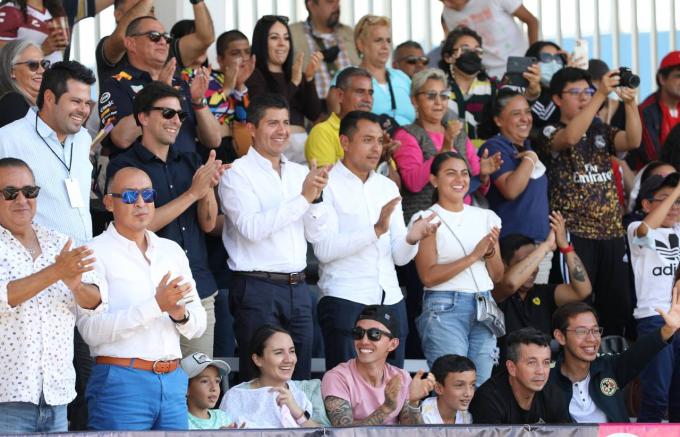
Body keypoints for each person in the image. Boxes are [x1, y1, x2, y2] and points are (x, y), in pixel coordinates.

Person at [77, 167, 207, 430]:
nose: (140, 203)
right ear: (108, 203)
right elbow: (91, 331)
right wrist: (156, 306)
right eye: (129, 196)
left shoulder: (171, 251)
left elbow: (199, 324)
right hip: (121, 381)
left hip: (172, 381)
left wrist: (178, 313)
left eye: (147, 195)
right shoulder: (91, 253)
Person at [106, 82, 226, 358]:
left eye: (180, 115)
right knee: (157, 381)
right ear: (143, 117)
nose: (176, 121)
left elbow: (208, 224)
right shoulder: (125, 167)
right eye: (167, 114)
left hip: (197, 289)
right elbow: (136, 225)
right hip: (146, 295)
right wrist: (193, 192)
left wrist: (207, 189)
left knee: (200, 385)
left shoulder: (190, 160)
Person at [312, 110, 439, 370]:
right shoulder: (326, 184)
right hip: (345, 296)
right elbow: (324, 250)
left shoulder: (387, 186)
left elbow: (400, 256)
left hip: (390, 296)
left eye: (380, 141)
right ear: (345, 142)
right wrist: (376, 229)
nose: (376, 148)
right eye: (367, 140)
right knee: (346, 391)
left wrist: (413, 238)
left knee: (394, 388)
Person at [218, 93, 330, 381]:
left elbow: (316, 234)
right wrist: (304, 197)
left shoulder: (300, 172)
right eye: (272, 123)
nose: (282, 131)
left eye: (285, 123)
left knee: (300, 375)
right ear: (252, 129)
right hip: (257, 288)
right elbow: (252, 229)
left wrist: (315, 200)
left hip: (299, 287)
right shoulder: (237, 174)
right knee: (260, 378)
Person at [0, 158, 102, 433]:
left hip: (57, 399)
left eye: (29, 192)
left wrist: (77, 286)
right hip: (6, 400)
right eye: (10, 193)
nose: (22, 200)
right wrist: (57, 271)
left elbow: (95, 303)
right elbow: (3, 297)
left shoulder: (60, 241)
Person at [541, 66, 642, 336]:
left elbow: (632, 140)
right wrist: (600, 94)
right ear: (557, 99)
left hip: (611, 231)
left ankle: (611, 368)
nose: (584, 97)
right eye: (575, 92)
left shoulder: (600, 128)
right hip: (576, 233)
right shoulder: (549, 129)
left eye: (587, 91)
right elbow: (571, 137)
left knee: (617, 307)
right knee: (577, 307)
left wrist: (630, 103)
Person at [414, 151, 504, 384]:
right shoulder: (426, 218)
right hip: (444, 308)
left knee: (482, 387)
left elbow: (497, 275)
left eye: (464, 173)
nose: (460, 179)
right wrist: (475, 255)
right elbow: (428, 276)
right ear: (434, 180)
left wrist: (490, 251)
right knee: (453, 386)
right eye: (450, 173)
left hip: (484, 304)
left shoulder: (487, 216)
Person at [0, 60, 95, 245]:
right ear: (50, 98)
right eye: (76, 101)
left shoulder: (84, 138)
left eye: (87, 103)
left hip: (84, 259)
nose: (83, 110)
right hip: (35, 264)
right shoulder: (7, 139)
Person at [99, 15, 221, 157]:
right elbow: (121, 138)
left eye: (167, 38)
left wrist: (198, 101)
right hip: (142, 176)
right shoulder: (116, 84)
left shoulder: (179, 83)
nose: (163, 42)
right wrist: (158, 91)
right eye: (154, 36)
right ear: (131, 43)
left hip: (187, 174)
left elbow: (214, 140)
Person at [393, 67, 502, 223]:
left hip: (464, 219)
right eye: (431, 96)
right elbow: (413, 183)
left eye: (443, 96)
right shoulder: (407, 135)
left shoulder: (457, 133)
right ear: (414, 100)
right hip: (427, 222)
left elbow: (477, 188)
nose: (439, 102)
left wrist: (483, 175)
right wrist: (444, 149)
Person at [550, 300, 680, 423]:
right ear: (560, 337)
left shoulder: (608, 368)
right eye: (581, 331)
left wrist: (667, 330)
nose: (591, 338)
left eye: (595, 330)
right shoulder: (546, 379)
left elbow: (640, 352)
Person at [495, 211, 592, 361]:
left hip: (543, 374)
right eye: (527, 262)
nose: (533, 269)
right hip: (507, 374)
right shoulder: (497, 291)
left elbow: (582, 291)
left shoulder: (542, 292)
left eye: (536, 262)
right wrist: (546, 246)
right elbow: (510, 283)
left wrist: (564, 247)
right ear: (505, 265)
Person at [321, 305, 435, 426]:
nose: (364, 341)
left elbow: (414, 432)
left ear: (392, 344)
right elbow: (342, 432)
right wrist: (386, 409)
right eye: (358, 333)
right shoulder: (337, 377)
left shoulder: (401, 377)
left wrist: (413, 404)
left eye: (374, 334)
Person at [627, 173, 680, 422]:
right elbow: (646, 228)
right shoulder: (636, 229)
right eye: (666, 199)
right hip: (654, 319)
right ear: (646, 204)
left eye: (678, 200)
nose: (674, 206)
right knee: (656, 397)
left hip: (679, 320)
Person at [439, 26, 540, 147]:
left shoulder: (495, 88)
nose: (472, 54)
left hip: (492, 158)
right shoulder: (438, 90)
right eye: (465, 49)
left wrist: (533, 90)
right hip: (452, 160)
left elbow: (516, 104)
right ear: (448, 57)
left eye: (477, 51)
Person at [477, 89, 549, 250]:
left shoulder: (528, 146)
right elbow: (511, 190)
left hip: (540, 242)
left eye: (527, 112)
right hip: (513, 245)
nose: (525, 118)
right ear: (498, 120)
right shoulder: (494, 147)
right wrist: (530, 158)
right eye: (516, 114)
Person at [246, 15, 322, 164]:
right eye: (274, 38)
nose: (282, 44)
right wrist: (294, 83)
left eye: (286, 38)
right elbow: (269, 110)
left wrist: (309, 78)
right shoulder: (254, 74)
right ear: (262, 42)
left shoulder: (294, 72)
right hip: (273, 145)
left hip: (303, 145)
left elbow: (314, 114)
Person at [220, 326, 318, 428]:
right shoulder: (236, 397)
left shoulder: (301, 394)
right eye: (279, 352)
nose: (289, 359)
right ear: (257, 359)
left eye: (292, 351)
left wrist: (298, 413)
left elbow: (322, 433)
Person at [95, 0, 214, 83]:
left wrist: (197, 1)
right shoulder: (110, 47)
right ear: (118, 15)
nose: (147, 14)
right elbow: (123, 36)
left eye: (151, 9)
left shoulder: (166, 46)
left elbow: (205, 38)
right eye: (139, 8)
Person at [470, 327, 570, 424]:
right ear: (512, 368)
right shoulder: (488, 401)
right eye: (532, 362)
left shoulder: (554, 395)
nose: (541, 371)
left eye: (546, 362)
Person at [439, 0, 539, 79]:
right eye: (441, 1)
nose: (447, 4)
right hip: (485, 74)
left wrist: (532, 59)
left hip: (519, 66)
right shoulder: (448, 14)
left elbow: (532, 21)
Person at [290, 0, 360, 103]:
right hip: (313, 115)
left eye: (338, 1)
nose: (336, 6)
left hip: (353, 115)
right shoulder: (292, 36)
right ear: (311, 4)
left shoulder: (351, 34)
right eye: (330, 1)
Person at [353, 14, 415, 126]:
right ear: (361, 44)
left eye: (388, 41)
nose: (385, 46)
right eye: (378, 40)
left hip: (411, 141)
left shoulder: (403, 78)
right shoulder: (349, 78)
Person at [305, 66, 373, 166]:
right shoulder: (322, 132)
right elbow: (326, 180)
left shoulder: (376, 134)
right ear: (340, 95)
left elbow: (393, 181)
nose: (368, 99)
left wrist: (385, 159)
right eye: (360, 92)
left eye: (370, 93)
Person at [206, 30, 254, 161]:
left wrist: (240, 85)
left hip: (236, 152)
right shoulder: (209, 79)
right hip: (210, 152)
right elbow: (208, 114)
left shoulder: (246, 81)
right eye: (236, 53)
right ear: (220, 60)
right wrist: (226, 88)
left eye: (247, 52)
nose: (244, 58)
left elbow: (244, 121)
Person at [630, 51, 680, 170]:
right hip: (658, 179)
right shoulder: (645, 111)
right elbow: (653, 158)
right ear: (662, 79)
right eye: (678, 76)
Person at [180, 352, 235, 430]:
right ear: (185, 388)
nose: (213, 388)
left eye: (217, 381)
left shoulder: (223, 417)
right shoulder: (180, 421)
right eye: (205, 381)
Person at [0, 39, 48, 127]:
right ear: (12, 71)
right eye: (33, 65)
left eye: (44, 64)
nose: (42, 70)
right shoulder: (12, 103)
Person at [420, 354, 476, 424]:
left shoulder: (467, 417)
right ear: (438, 388)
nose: (468, 393)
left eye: (472, 385)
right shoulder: (422, 415)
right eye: (459, 385)